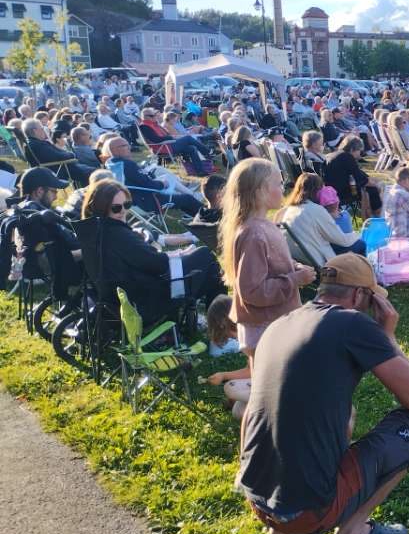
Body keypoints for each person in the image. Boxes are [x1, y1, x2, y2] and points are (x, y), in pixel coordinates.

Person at [237, 253, 409, 534]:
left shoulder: (281, 323)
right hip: (308, 512)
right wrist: (388, 337)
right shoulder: (352, 323)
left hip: (258, 501)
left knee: (342, 412)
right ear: (361, 295)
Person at [208, 159, 315, 419]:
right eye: (278, 183)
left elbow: (271, 266)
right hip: (265, 328)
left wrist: (293, 266)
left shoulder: (264, 225)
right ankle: (257, 427)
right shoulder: (253, 234)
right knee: (273, 392)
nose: (284, 187)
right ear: (259, 192)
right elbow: (253, 291)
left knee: (273, 388)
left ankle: (244, 408)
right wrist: (294, 279)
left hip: (273, 324)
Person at [80, 179, 225, 326]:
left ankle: (213, 325)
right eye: (116, 208)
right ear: (101, 207)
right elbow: (158, 265)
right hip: (146, 304)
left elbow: (142, 260)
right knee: (205, 255)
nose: (123, 211)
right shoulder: (117, 234)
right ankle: (220, 331)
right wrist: (180, 254)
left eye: (127, 205)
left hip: (119, 301)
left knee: (210, 270)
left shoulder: (93, 229)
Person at [277, 173, 365, 266]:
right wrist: (358, 234)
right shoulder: (315, 210)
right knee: (361, 244)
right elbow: (342, 240)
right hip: (320, 261)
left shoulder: (288, 209)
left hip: (301, 259)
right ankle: (360, 276)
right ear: (318, 191)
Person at [104, 137, 203, 216]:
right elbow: (148, 185)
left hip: (132, 201)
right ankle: (210, 217)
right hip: (146, 201)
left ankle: (195, 212)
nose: (129, 147)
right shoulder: (127, 165)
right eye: (125, 145)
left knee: (173, 187)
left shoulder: (111, 163)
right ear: (115, 150)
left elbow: (141, 181)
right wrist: (162, 184)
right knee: (186, 199)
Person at [22, 118, 95, 185]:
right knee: (95, 173)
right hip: (61, 170)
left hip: (63, 167)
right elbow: (58, 156)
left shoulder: (35, 143)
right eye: (41, 128)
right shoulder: (37, 145)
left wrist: (68, 154)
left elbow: (57, 153)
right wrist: (71, 155)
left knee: (92, 170)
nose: (44, 130)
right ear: (35, 130)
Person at [325, 136, 382, 217]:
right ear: (352, 149)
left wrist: (369, 179)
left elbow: (358, 173)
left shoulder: (334, 155)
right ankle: (376, 215)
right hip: (342, 192)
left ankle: (373, 213)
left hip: (331, 190)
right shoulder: (347, 157)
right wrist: (376, 184)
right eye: (359, 151)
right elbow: (360, 179)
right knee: (372, 189)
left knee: (371, 186)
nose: (360, 154)